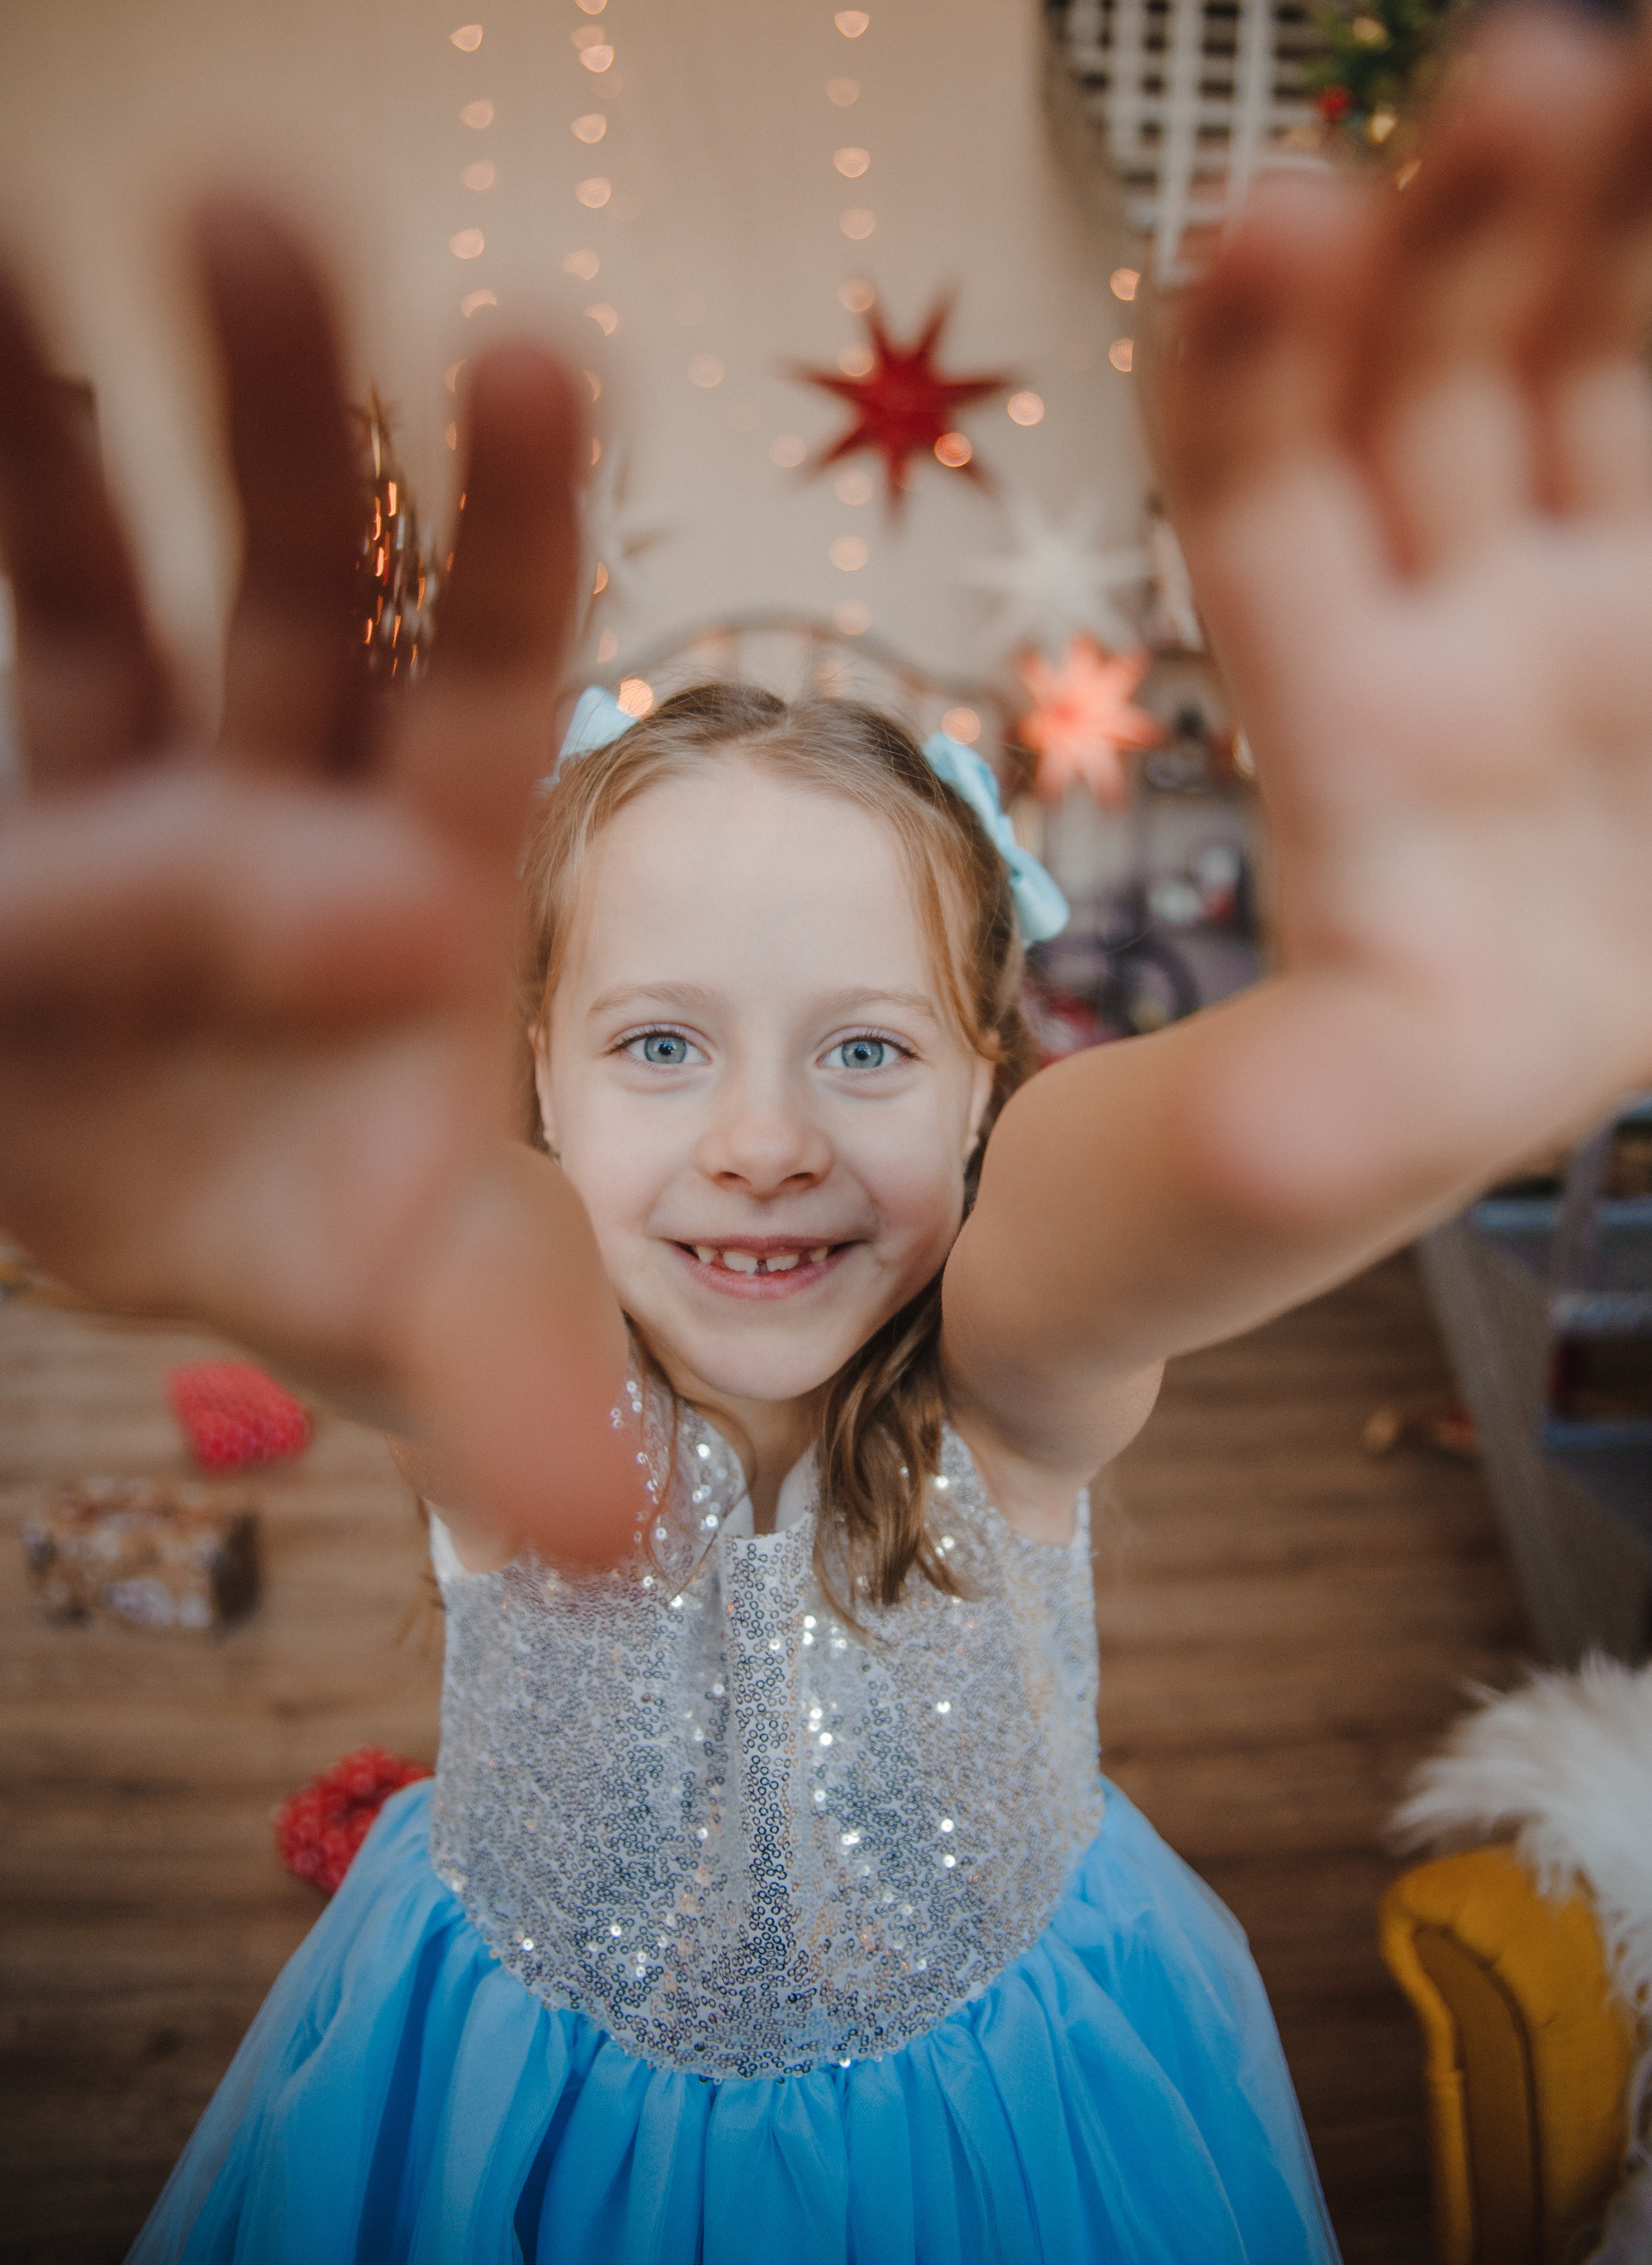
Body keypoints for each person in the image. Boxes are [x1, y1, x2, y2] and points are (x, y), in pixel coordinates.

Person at [2, 8, 1649, 2258]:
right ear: (538, 1086)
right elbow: (420, 1261)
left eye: (869, 1052)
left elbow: (1109, 1204)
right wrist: (211, 1184)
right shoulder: (526, 1379)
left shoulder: (1018, 1383)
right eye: (661, 1048)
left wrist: (1383, 1067)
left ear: (992, 1069)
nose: (767, 1140)